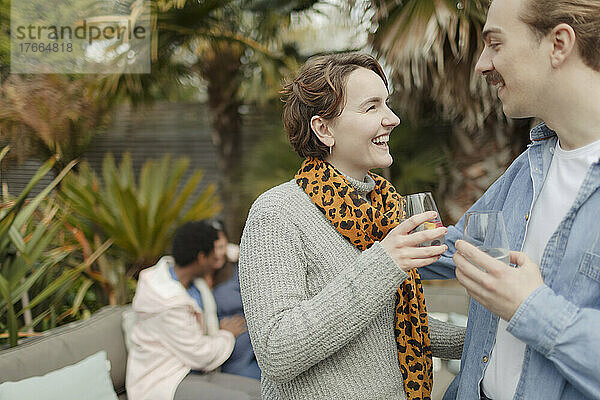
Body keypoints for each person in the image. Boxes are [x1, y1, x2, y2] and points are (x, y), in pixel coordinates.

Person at [239, 53, 465, 400]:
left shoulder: (383, 208)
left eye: (386, 104)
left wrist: (481, 335)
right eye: (371, 107)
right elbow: (276, 350)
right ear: (323, 129)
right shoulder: (276, 213)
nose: (393, 118)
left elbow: (391, 326)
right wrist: (385, 263)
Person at [419, 0, 600, 399]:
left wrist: (530, 307)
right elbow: (455, 249)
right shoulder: (531, 165)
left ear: (559, 44)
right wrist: (341, 221)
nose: (482, 64)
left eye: (495, 44)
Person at [126, 221, 260, 400]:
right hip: (165, 379)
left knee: (260, 392)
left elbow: (226, 251)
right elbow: (200, 355)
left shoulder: (189, 281)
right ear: (201, 257)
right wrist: (226, 334)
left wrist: (243, 253)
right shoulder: (166, 304)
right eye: (213, 255)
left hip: (193, 371)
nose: (217, 259)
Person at [202, 223, 261, 380]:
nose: (217, 253)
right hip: (219, 353)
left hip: (250, 351)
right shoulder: (195, 278)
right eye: (212, 248)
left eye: (221, 247)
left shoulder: (236, 269)